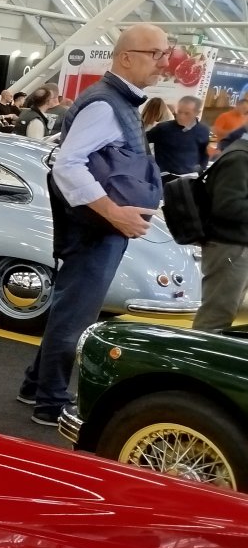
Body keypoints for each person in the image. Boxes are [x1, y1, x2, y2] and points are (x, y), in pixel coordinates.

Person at [18, 24, 170, 428]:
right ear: (126, 57)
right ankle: (49, 403)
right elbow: (68, 163)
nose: (163, 62)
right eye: (156, 53)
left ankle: (36, 385)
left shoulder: (117, 102)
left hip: (95, 227)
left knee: (70, 310)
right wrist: (113, 212)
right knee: (75, 317)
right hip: (94, 229)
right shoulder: (107, 105)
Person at [193, 129, 248, 332]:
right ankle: (196, 362)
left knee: (223, 311)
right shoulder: (239, 159)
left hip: (236, 245)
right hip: (230, 246)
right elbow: (228, 206)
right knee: (216, 316)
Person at [146, 95, 209, 179]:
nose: (181, 116)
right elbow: (141, 141)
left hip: (188, 179)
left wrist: (201, 168)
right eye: (179, 112)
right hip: (163, 178)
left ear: (196, 113)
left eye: (187, 113)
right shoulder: (163, 128)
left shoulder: (202, 130)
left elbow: (204, 153)